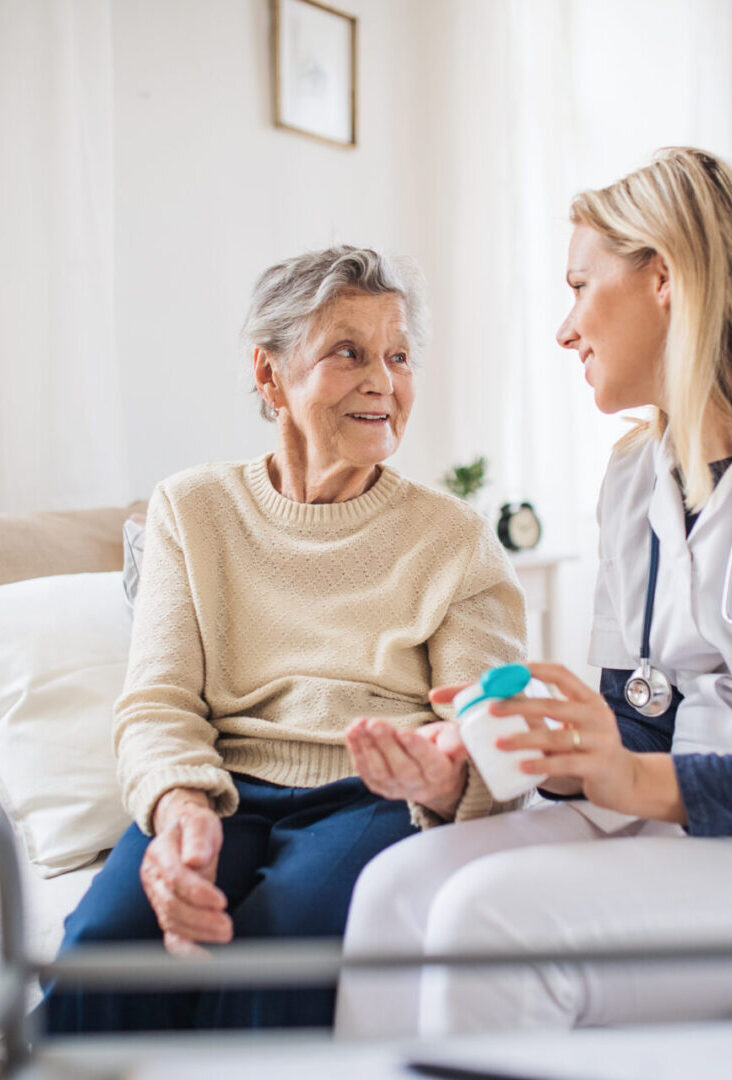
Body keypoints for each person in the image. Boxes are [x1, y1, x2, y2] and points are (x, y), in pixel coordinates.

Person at [335, 148, 732, 1036]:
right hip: (699, 819)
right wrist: (490, 752)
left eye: (580, 285)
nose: (565, 328)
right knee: (397, 887)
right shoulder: (636, 477)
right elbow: (642, 720)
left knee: (494, 924)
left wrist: (635, 775)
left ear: (665, 276)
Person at [41, 245, 526, 1033]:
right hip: (223, 786)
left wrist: (444, 779)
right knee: (105, 946)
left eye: (398, 356)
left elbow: (493, 739)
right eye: (348, 352)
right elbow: (157, 700)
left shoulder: (456, 539)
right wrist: (177, 809)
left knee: (280, 947)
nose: (383, 380)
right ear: (269, 377)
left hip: (373, 797)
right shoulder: (192, 508)